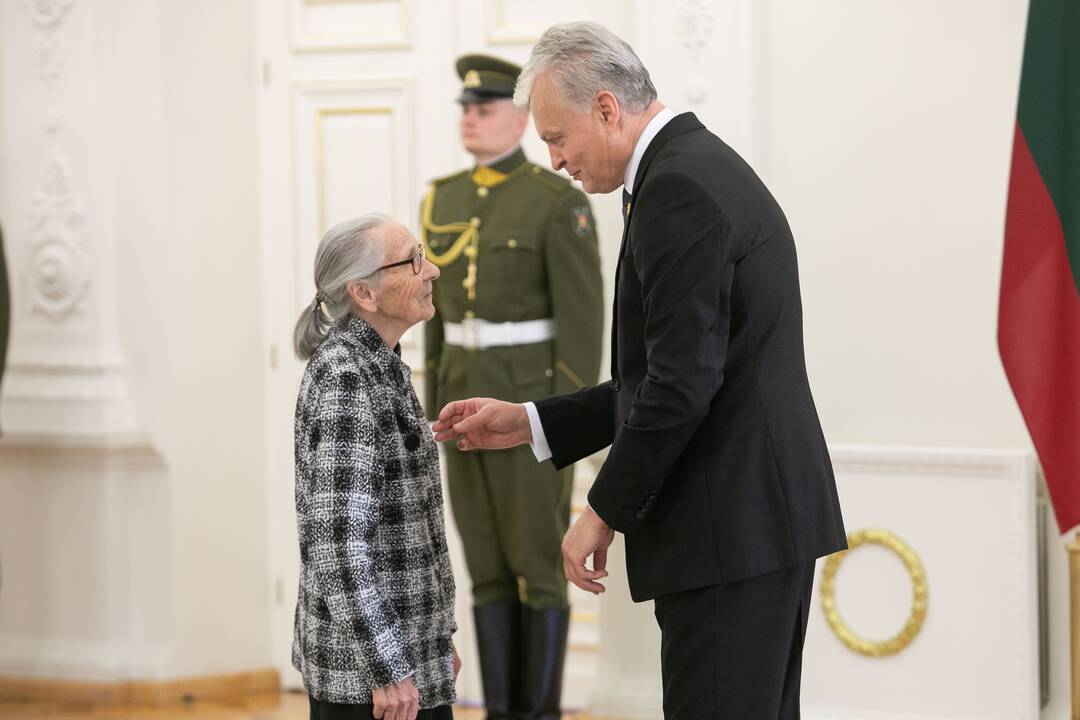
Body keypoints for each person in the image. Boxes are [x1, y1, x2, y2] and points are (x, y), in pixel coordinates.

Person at [434, 22, 846, 719]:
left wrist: (600, 510)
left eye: (558, 138)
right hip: (749, 526)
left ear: (605, 107)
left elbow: (681, 387)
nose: (557, 160)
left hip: (729, 530)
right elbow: (667, 373)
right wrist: (532, 420)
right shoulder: (686, 168)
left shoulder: (677, 189)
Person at [420, 54, 603, 719]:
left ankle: (538, 713)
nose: (469, 117)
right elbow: (435, 315)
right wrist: (431, 398)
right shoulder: (442, 198)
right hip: (460, 404)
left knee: (539, 565)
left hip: (531, 412)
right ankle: (502, 710)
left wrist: (565, 420)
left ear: (521, 117)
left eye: (485, 107)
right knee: (487, 564)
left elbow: (583, 330)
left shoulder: (557, 200)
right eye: (464, 108)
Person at [292, 215, 460, 720]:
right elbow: (340, 544)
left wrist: (435, 642)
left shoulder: (378, 362)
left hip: (405, 660)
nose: (430, 271)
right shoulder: (348, 376)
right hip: (369, 682)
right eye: (412, 261)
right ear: (363, 293)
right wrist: (387, 666)